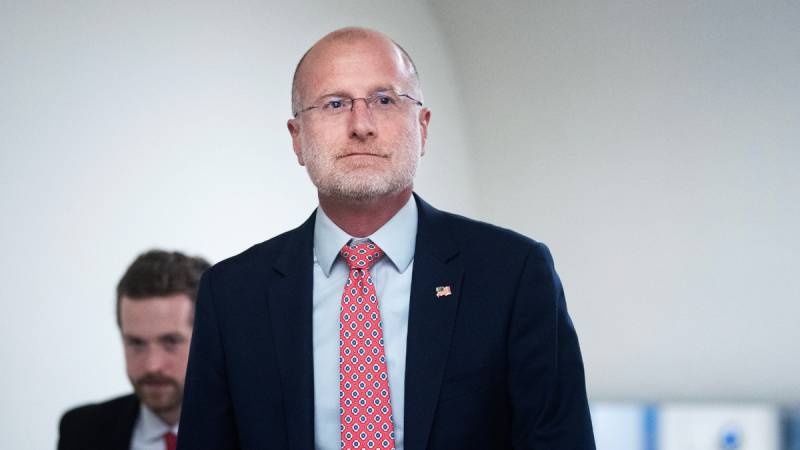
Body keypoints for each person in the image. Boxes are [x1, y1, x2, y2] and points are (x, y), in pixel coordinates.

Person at [178, 27, 595, 449]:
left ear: (422, 128)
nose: (361, 125)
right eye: (335, 104)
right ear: (297, 138)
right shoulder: (231, 296)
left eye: (383, 100)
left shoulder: (513, 275)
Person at [58, 250, 211, 450]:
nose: (152, 366)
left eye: (171, 341)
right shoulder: (81, 431)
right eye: (136, 343)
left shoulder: (248, 430)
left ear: (210, 340)